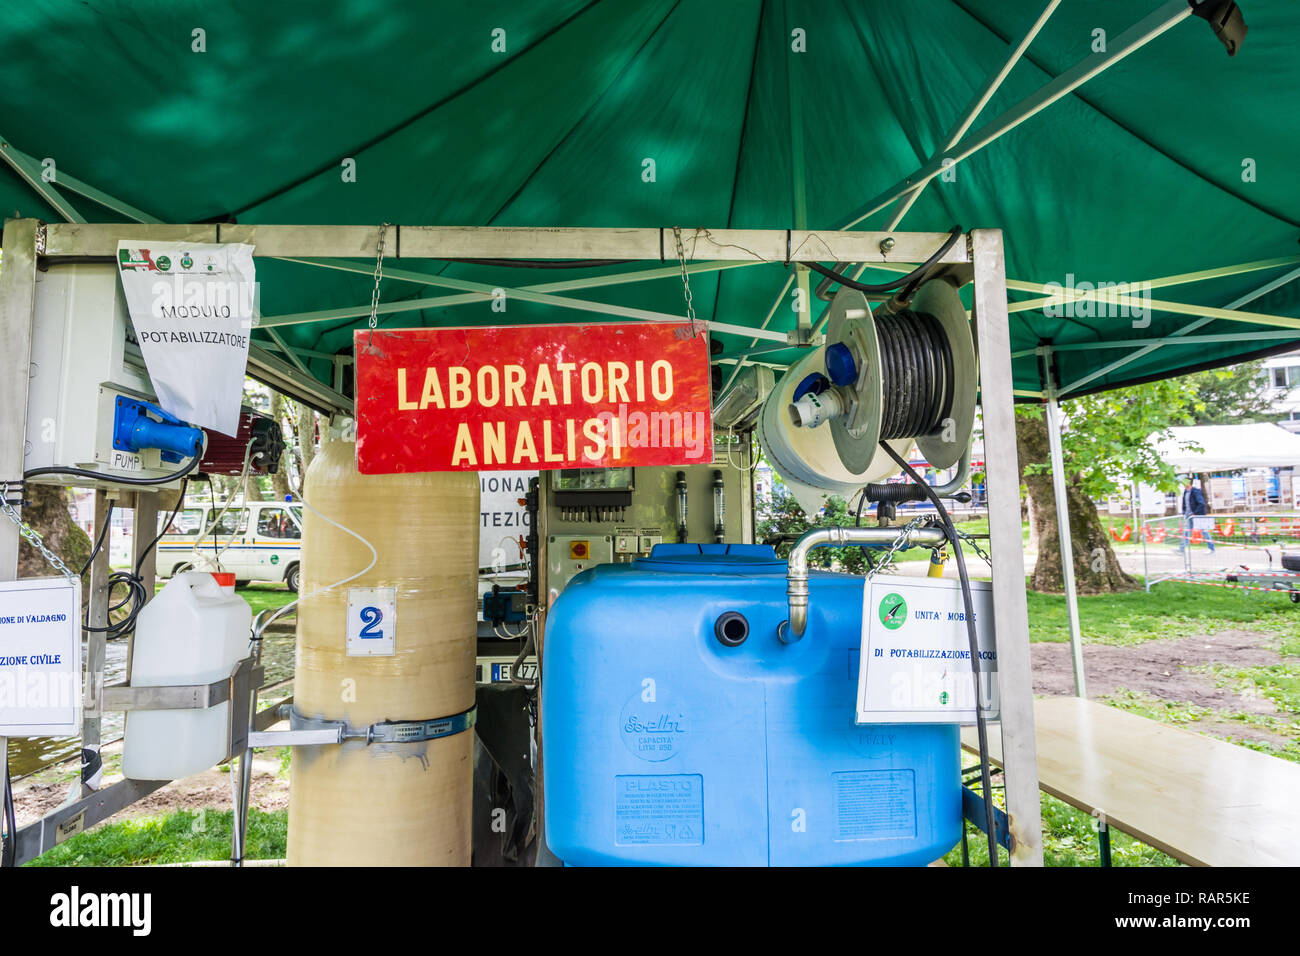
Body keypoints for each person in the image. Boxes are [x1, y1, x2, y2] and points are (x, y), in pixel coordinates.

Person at [1179, 476, 1215, 553]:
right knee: (1187, 532)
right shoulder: (1186, 492)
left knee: (1204, 532)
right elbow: (1185, 503)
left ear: (1188, 482)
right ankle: (1181, 549)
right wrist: (1184, 511)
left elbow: (1201, 503)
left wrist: (1195, 513)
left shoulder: (1195, 491)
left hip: (1198, 515)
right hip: (1189, 516)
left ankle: (1211, 548)